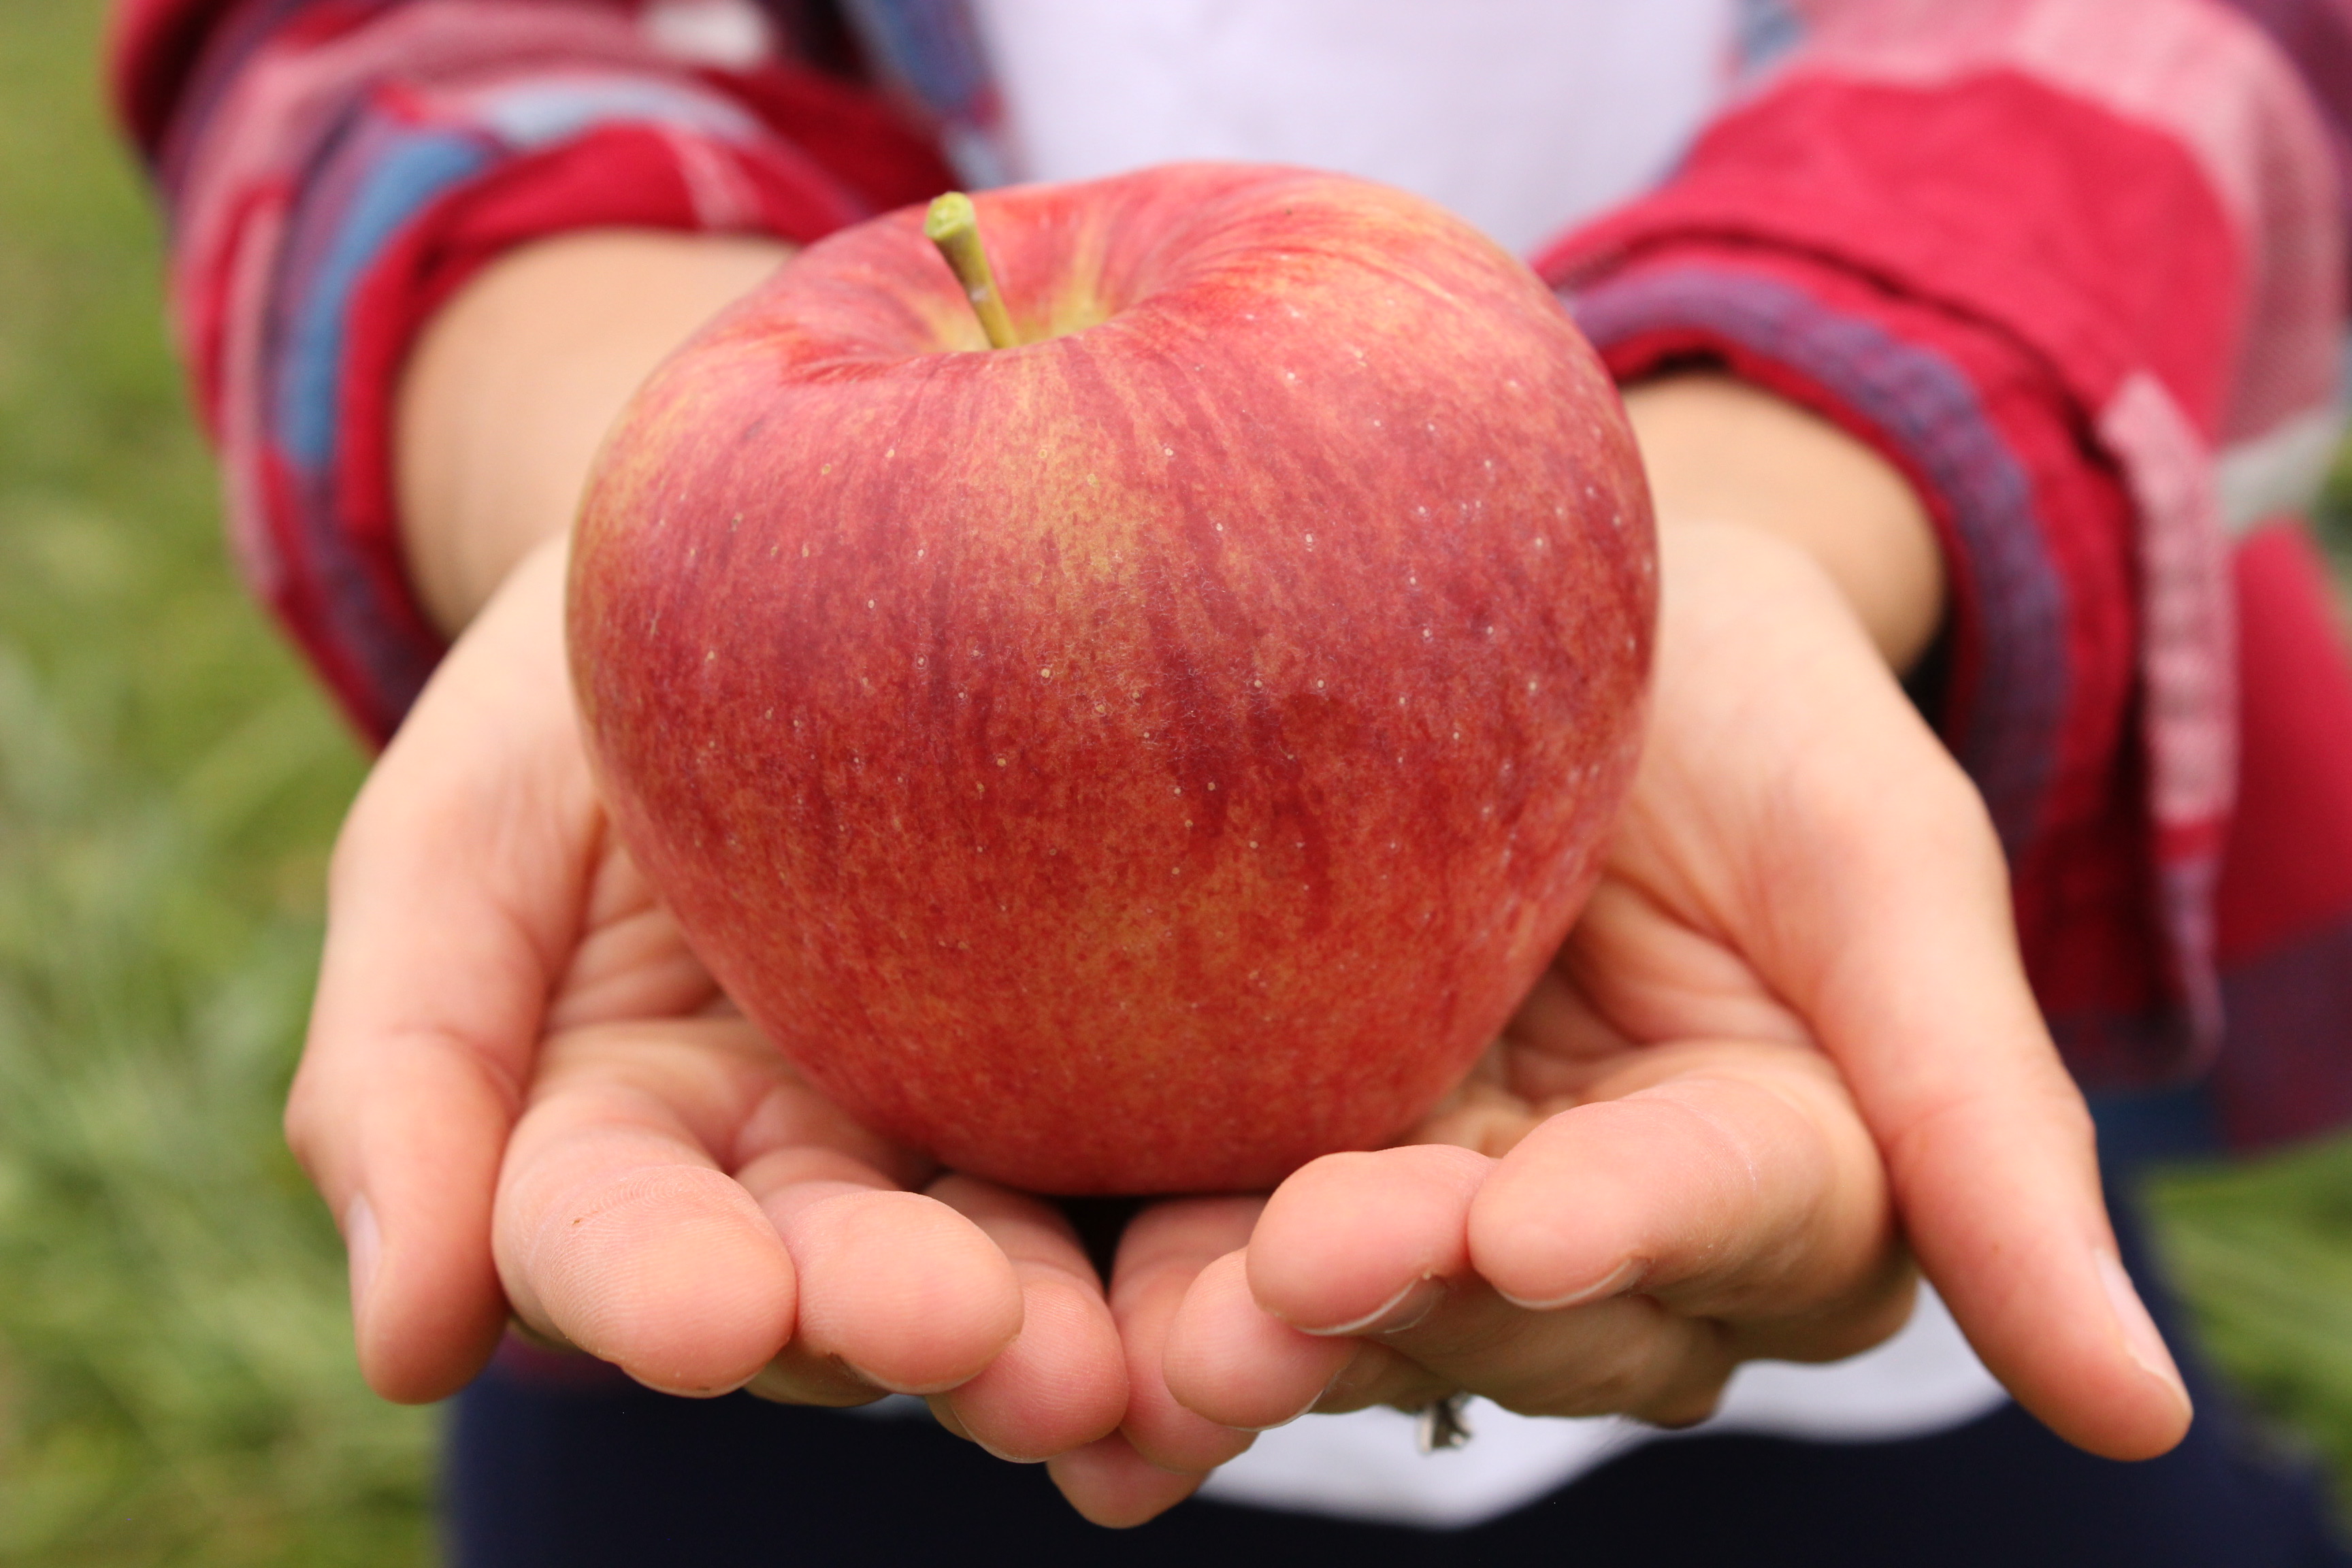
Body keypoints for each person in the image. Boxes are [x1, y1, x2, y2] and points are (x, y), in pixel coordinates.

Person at [108, 0, 2352, 1561]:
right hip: (785, 1267)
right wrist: (598, 467)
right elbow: (370, 40)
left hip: (1763, 977)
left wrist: (1773, 498)